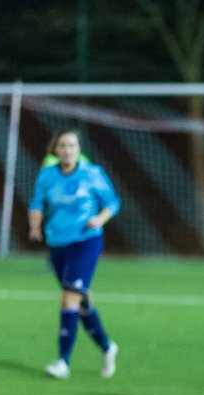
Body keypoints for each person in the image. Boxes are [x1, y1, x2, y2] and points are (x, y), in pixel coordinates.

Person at [27, 130, 121, 380]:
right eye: (63, 146)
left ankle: (63, 362)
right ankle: (107, 347)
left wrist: (98, 219)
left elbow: (113, 202)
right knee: (81, 303)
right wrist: (35, 226)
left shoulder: (92, 174)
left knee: (68, 299)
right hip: (58, 244)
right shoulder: (47, 176)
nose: (67, 150)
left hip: (86, 241)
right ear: (55, 150)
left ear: (79, 150)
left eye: (72, 145)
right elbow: (36, 202)